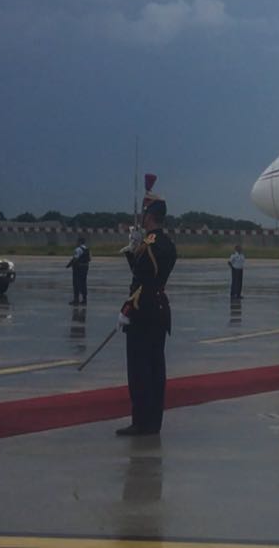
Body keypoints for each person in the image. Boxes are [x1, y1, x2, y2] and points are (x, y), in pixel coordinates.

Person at [116, 187, 177, 436]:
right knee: (156, 370)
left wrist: (127, 309)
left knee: (140, 371)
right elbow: (151, 275)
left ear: (148, 215)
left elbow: (143, 282)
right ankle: (153, 422)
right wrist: (134, 253)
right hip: (160, 310)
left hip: (144, 312)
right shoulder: (166, 244)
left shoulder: (150, 245)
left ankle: (141, 421)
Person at [66, 236, 91, 306]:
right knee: (83, 283)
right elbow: (89, 259)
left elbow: (75, 259)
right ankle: (84, 299)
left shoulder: (78, 249)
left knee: (76, 284)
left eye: (77, 241)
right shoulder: (87, 249)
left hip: (78, 269)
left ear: (79, 242)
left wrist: (68, 265)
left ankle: (76, 299)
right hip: (85, 268)